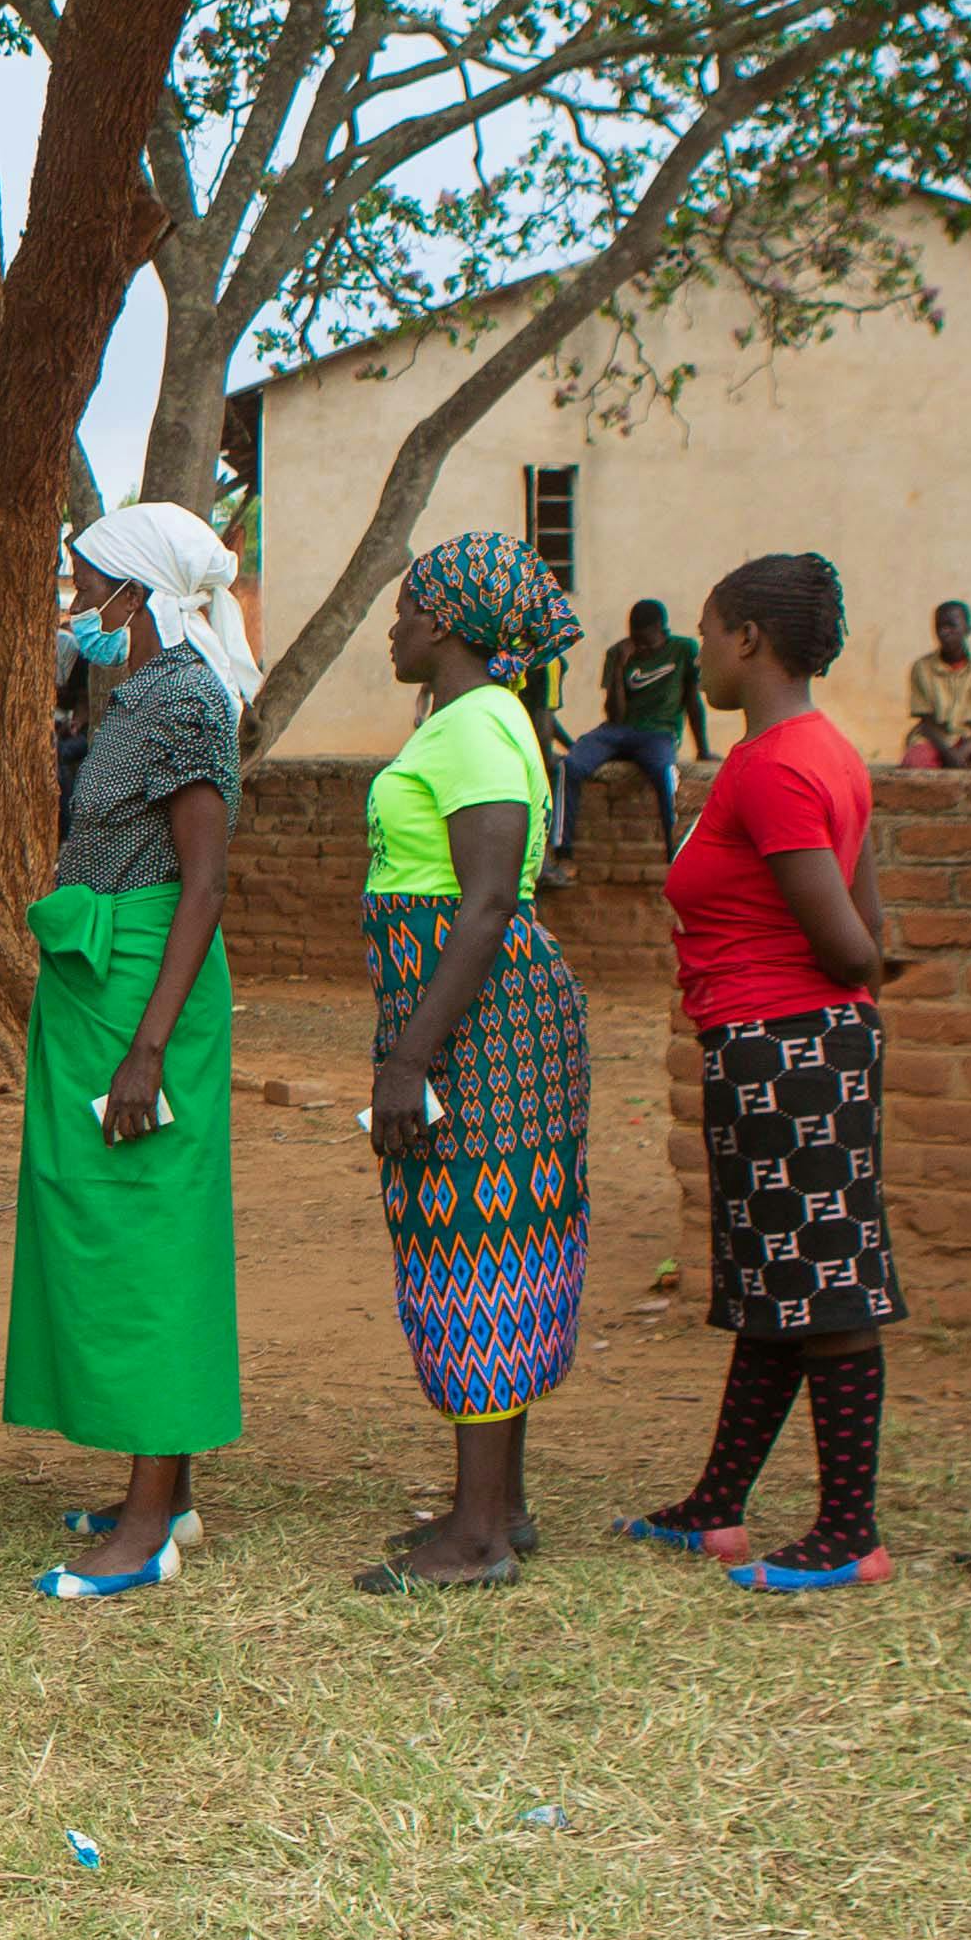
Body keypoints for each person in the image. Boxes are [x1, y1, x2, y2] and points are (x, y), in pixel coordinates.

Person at [625, 556, 906, 1594]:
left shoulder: (773, 767)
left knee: (825, 1289)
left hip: (788, 1045)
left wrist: (838, 984)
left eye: (705, 628)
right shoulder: (824, 753)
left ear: (749, 638)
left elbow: (849, 943)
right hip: (783, 1042)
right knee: (777, 1283)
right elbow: (870, 918)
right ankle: (716, 1506)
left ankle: (849, 1530)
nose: (697, 650)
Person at [8, 505, 250, 1601]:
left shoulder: (187, 696)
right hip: (108, 982)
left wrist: (147, 1046)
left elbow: (203, 876)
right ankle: (169, 1488)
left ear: (136, 594)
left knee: (147, 1235)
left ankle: (146, 1525)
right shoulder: (140, 692)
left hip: (147, 988)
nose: (74, 604)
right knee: (122, 1222)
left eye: (84, 584)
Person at [361, 532, 594, 1593]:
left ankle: (477, 1538)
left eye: (408, 609)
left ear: (448, 624)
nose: (395, 627)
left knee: (475, 1249)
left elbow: (489, 897)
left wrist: (410, 1054)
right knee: (492, 1239)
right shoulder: (485, 720)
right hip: (476, 1011)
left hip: (475, 1021)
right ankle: (496, 1507)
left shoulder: (473, 727)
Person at [550, 596, 707, 871]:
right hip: (617, 731)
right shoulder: (618, 653)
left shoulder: (683, 650)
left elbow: (693, 703)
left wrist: (702, 748)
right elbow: (615, 715)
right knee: (569, 766)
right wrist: (620, 668)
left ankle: (677, 856)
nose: (642, 647)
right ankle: (563, 855)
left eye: (647, 640)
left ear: (662, 629)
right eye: (637, 639)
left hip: (659, 733)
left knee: (665, 772)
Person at [903, 601, 971, 768]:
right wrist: (949, 754)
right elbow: (926, 723)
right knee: (914, 763)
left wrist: (963, 751)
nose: (944, 632)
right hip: (935, 741)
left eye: (951, 625)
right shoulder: (922, 668)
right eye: (939, 626)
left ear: (968, 629)